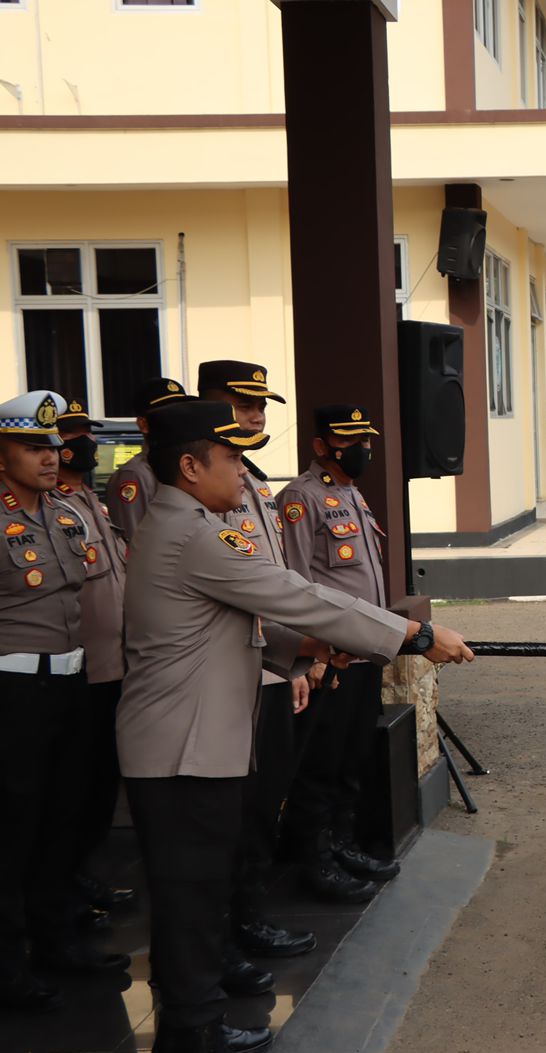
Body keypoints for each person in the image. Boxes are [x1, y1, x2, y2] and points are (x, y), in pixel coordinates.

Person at [118, 400, 473, 1053]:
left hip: (192, 745)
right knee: (191, 900)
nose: (241, 468)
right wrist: (414, 634)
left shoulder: (188, 525)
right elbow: (295, 592)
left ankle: (196, 1026)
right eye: (229, 457)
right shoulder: (196, 533)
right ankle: (188, 1045)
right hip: (182, 753)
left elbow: (245, 625)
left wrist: (312, 647)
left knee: (197, 896)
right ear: (190, 466)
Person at [0, 390, 130, 1016]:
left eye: (51, 447)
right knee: (14, 829)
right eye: (32, 447)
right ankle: (7, 965)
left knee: (64, 820)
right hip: (14, 691)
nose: (50, 458)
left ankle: (56, 941)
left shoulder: (67, 512)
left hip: (74, 683)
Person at [195, 360, 318, 981]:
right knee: (231, 815)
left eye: (260, 407)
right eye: (241, 405)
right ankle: (227, 935)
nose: (255, 417)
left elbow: (281, 581)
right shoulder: (195, 492)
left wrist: (292, 660)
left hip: (267, 668)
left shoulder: (255, 481)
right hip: (224, 677)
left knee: (262, 804)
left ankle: (249, 917)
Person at [277, 405, 402, 903]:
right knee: (321, 764)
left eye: (365, 440)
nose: (362, 449)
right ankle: (316, 859)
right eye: (349, 440)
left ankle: (344, 843)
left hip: (362, 655)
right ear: (321, 445)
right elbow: (294, 584)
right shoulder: (300, 499)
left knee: (351, 757)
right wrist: (312, 657)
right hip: (328, 657)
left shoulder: (350, 493)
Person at [51, 400, 137, 925]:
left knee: (100, 784)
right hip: (77, 673)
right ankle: (61, 888)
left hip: (114, 668)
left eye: (86, 433)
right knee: (70, 789)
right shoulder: (52, 507)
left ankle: (81, 874)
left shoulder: (92, 500)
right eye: (70, 435)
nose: (83, 443)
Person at [105, 376, 194, 542]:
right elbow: (134, 543)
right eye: (167, 413)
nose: (178, 419)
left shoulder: (189, 465)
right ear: (143, 424)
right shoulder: (135, 474)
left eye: (181, 410)